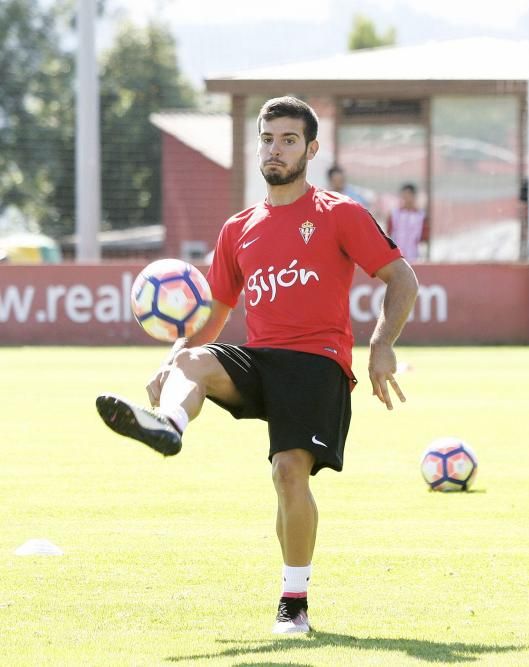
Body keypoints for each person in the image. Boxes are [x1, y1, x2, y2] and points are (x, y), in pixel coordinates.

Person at [95, 96, 419, 633]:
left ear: (311, 149)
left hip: (318, 363)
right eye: (268, 138)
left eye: (289, 140)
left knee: (288, 473)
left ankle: (295, 604)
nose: (276, 148)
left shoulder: (339, 213)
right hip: (262, 361)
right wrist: (171, 364)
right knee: (195, 359)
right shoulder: (237, 228)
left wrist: (383, 344)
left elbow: (401, 277)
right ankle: (168, 425)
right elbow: (213, 315)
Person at [386, 182, 429, 261]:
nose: (405, 198)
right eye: (404, 196)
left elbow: (424, 236)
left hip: (414, 255)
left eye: (408, 195)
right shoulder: (394, 214)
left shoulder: (421, 216)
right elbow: (389, 233)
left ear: (414, 196)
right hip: (396, 256)